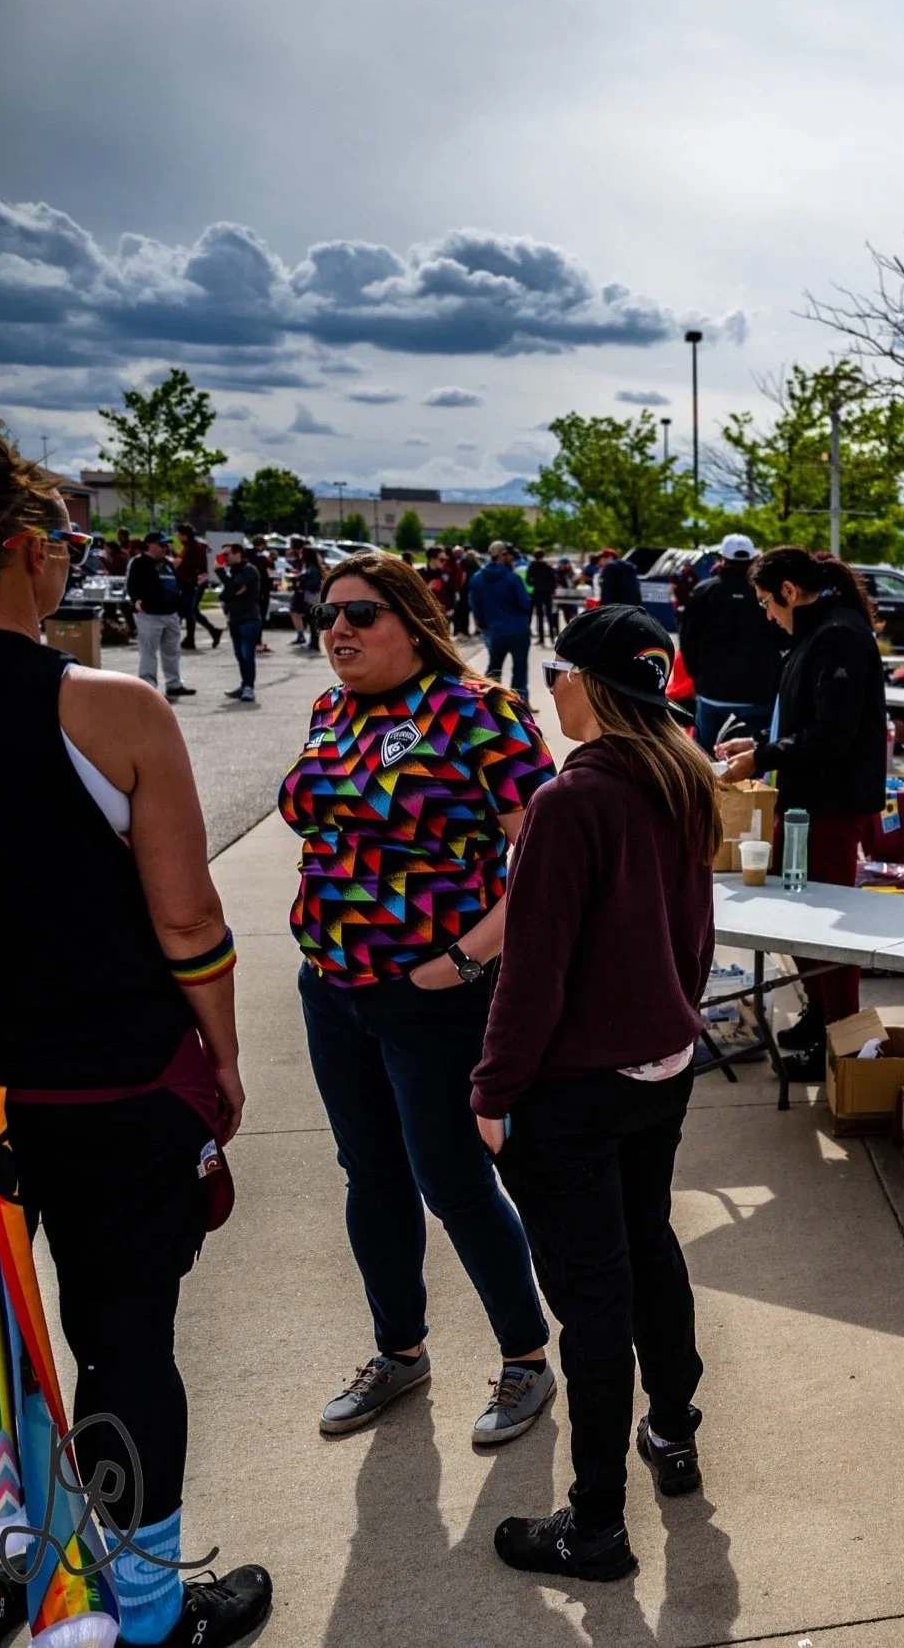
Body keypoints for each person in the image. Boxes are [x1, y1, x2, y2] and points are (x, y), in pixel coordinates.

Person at [0, 409, 274, 1646]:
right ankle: (138, 1605)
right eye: (65, 535)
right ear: (27, 549)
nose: (73, 553)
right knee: (124, 1343)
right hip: (109, 1083)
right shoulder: (109, 708)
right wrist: (224, 1051)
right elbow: (187, 916)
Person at [282, 551, 557, 1446]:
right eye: (327, 614)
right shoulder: (331, 709)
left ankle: (525, 1359)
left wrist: (465, 962)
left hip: (432, 997)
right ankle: (398, 1351)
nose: (339, 631)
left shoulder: (480, 711)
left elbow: (551, 861)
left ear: (411, 617)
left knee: (454, 1179)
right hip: (332, 988)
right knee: (371, 1174)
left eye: (360, 613)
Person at [472, 604, 718, 1582]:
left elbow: (533, 972)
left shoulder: (576, 799)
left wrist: (491, 1089)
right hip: (661, 1068)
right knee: (647, 1245)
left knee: (594, 1300)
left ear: (594, 686)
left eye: (558, 672)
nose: (548, 689)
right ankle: (673, 1431)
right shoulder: (680, 773)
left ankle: (596, 1525)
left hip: (578, 1087)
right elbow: (694, 939)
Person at [716, 548, 885, 1079]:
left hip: (832, 806)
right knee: (803, 919)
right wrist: (759, 743)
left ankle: (843, 1039)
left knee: (830, 930)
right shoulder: (816, 634)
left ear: (789, 591)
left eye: (768, 601)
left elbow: (832, 734)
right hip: (806, 802)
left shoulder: (838, 635)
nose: (767, 614)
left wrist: (762, 756)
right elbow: (805, 719)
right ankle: (820, 1015)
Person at [676, 533, 787, 752]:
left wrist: (698, 678)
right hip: (758, 694)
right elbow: (783, 637)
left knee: (704, 763)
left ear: (722, 559)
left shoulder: (705, 591)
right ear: (754, 559)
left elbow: (687, 641)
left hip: (712, 694)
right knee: (750, 769)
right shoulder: (766, 593)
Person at [126, 530, 190, 696]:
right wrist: (136, 600)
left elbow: (176, 585)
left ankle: (174, 684)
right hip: (149, 615)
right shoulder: (139, 562)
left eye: (166, 545)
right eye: (161, 545)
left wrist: (180, 608)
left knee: (172, 651)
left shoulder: (168, 564)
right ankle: (148, 687)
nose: (165, 548)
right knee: (148, 651)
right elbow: (131, 584)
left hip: (170, 614)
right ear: (150, 545)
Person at [469, 541, 534, 702]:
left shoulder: (477, 578)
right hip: (518, 629)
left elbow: (475, 606)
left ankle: (490, 702)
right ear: (503, 555)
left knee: (494, 669)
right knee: (519, 669)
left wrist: (485, 625)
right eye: (509, 555)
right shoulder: (512, 578)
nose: (512, 558)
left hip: (495, 630)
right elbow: (525, 603)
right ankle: (519, 703)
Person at [215, 541, 266, 703]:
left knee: (246, 654)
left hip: (249, 618)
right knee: (239, 655)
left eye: (227, 554)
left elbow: (233, 588)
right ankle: (244, 685)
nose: (224, 558)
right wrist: (231, 591)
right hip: (235, 618)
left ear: (238, 554)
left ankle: (249, 688)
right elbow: (227, 593)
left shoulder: (248, 570)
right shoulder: (234, 571)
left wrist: (221, 573)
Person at [174, 525, 221, 651]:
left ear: (184, 535)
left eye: (178, 534)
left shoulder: (195, 548)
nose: (177, 537)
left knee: (190, 611)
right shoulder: (189, 547)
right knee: (190, 611)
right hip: (188, 583)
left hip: (194, 583)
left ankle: (192, 638)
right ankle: (210, 632)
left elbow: (192, 566)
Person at [290, 543, 325, 647]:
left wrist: (301, 578)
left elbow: (312, 582)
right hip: (311, 595)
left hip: (312, 596)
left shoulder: (312, 568)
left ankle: (314, 643)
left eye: (302, 553)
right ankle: (312, 642)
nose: (300, 555)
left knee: (312, 619)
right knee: (310, 619)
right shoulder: (309, 566)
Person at [527, 550, 560, 644]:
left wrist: (535, 584)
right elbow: (553, 580)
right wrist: (551, 589)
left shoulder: (532, 566)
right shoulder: (547, 566)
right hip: (547, 593)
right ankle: (552, 636)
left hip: (537, 592)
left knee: (539, 615)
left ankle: (541, 638)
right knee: (549, 614)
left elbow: (528, 580)